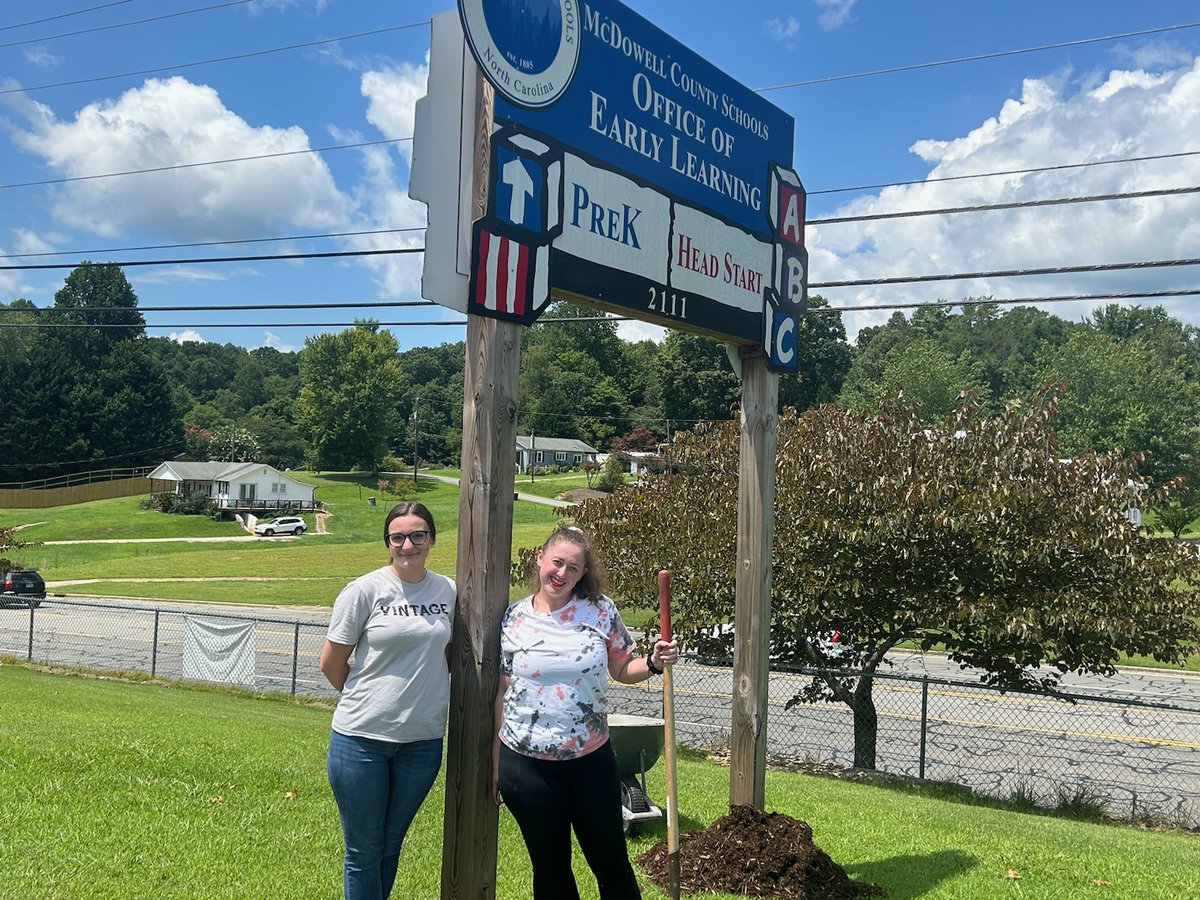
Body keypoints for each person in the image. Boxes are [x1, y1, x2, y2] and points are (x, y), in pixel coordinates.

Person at [494, 524, 679, 900]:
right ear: (540, 558)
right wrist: (495, 760)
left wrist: (655, 662)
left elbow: (623, 668)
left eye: (573, 568)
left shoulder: (599, 610)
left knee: (611, 864)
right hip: (526, 766)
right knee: (551, 871)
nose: (561, 574)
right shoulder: (514, 618)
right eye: (556, 563)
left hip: (590, 762)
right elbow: (501, 691)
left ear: (583, 574)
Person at [319, 501, 455, 900]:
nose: (408, 545)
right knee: (364, 850)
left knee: (391, 845)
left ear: (431, 539)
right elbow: (331, 662)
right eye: (398, 537)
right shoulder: (365, 590)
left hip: (423, 743)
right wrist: (372, 699)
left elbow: (445, 656)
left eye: (418, 535)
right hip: (360, 740)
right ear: (388, 542)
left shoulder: (446, 589)